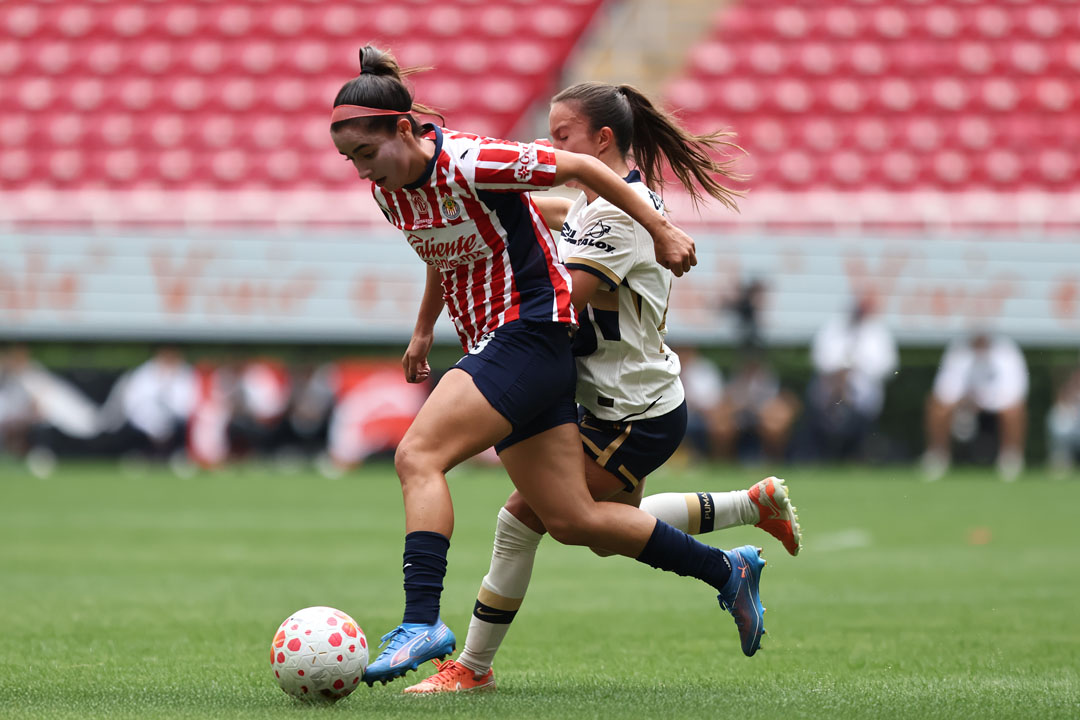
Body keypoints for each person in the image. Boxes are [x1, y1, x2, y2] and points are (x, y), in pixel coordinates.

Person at [329, 46, 772, 687]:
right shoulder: (394, 191)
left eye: (366, 155)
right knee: (573, 521)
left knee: (417, 456)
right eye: (350, 161)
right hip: (507, 344)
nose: (362, 171)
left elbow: (578, 169)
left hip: (531, 336)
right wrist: (425, 327)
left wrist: (661, 228)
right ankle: (725, 570)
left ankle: (423, 623)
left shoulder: (472, 158)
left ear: (404, 130)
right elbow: (442, 242)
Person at [802, 293, 898, 461]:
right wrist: (841, 371)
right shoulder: (832, 328)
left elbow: (887, 366)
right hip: (830, 392)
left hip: (863, 394)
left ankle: (856, 452)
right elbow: (819, 359)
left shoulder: (878, 333)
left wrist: (856, 367)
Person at [922, 332, 1029, 481]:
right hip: (965, 402)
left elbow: (1014, 392)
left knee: (1014, 411)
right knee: (937, 407)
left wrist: (985, 400)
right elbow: (945, 391)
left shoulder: (1006, 350)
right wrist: (966, 402)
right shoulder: (958, 350)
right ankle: (938, 456)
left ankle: (1011, 458)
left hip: (996, 401)